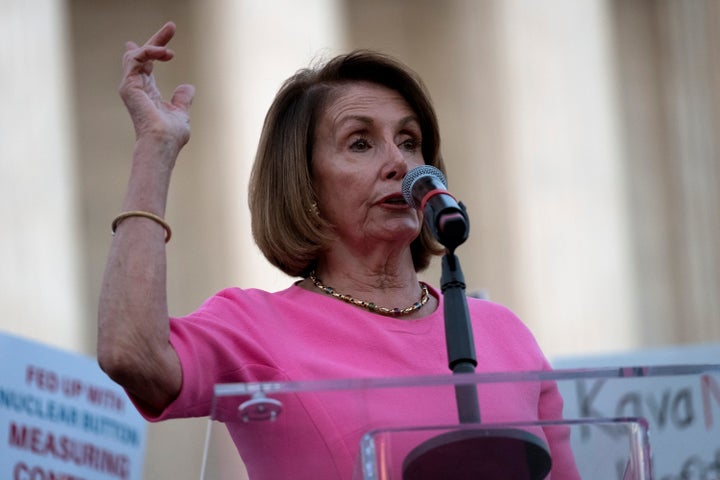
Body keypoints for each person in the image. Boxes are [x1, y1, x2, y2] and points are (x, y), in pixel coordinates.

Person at [98, 22, 580, 479]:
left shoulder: (504, 334)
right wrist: (155, 149)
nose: (399, 163)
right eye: (360, 143)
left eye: (410, 142)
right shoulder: (255, 327)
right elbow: (132, 355)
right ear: (305, 184)